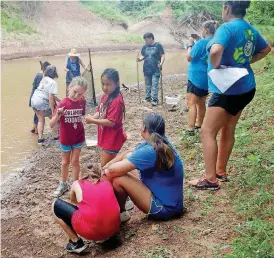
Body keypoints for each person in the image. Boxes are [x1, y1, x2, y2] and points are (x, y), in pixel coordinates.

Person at [188, 0, 271, 190]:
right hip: (245, 87)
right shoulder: (249, 28)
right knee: (229, 127)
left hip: (227, 89)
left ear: (227, 9)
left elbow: (216, 49)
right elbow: (265, 49)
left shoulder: (226, 28)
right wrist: (247, 61)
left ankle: (210, 179)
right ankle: (220, 171)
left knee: (207, 131)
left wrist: (216, 66)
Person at [103, 113, 184, 222]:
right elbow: (128, 152)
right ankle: (119, 205)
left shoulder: (150, 151)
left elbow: (112, 171)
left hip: (164, 208)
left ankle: (118, 212)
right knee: (127, 157)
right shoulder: (159, 142)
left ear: (144, 128)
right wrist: (107, 165)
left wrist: (106, 169)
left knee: (118, 179)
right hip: (171, 203)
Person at [52, 171, 120, 254]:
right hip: (114, 228)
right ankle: (110, 237)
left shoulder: (77, 184)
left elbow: (73, 201)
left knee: (55, 204)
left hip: (93, 232)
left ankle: (76, 243)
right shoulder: (107, 182)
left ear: (82, 175)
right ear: (98, 173)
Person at [50, 77, 88, 198]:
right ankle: (63, 183)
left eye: (80, 94)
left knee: (75, 161)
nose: (76, 96)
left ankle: (75, 184)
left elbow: (81, 115)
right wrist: (58, 114)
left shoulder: (82, 102)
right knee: (65, 162)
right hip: (65, 139)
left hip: (78, 137)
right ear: (69, 88)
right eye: (75, 92)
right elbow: (51, 124)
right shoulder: (63, 104)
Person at [85, 68, 126, 167]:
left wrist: (93, 120)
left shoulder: (117, 101)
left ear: (116, 84)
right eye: (103, 84)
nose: (104, 87)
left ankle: (107, 181)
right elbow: (100, 111)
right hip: (106, 136)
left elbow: (111, 122)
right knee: (110, 164)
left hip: (112, 138)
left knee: (105, 166)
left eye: (108, 84)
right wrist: (92, 117)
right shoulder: (105, 96)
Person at [185, 21, 219, 135]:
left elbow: (189, 57)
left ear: (205, 30)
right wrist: (197, 41)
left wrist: (190, 45)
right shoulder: (216, 41)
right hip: (207, 77)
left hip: (195, 77)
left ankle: (190, 129)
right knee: (201, 102)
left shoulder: (201, 43)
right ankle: (199, 125)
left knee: (191, 103)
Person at [31, 65, 60, 144]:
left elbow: (50, 94)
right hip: (42, 102)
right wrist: (52, 109)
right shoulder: (53, 82)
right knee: (54, 119)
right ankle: (56, 137)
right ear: (54, 73)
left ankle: (40, 139)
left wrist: (59, 100)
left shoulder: (44, 79)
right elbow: (51, 97)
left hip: (34, 100)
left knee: (41, 120)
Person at [137, 33, 165, 106]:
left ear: (151, 38)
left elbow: (162, 56)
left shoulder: (158, 45)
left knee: (154, 85)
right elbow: (143, 55)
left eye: (146, 40)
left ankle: (154, 100)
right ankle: (147, 98)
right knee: (148, 85)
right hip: (146, 69)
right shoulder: (145, 46)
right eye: (145, 40)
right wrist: (139, 59)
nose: (146, 41)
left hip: (156, 69)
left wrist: (161, 64)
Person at [29, 61, 51, 134]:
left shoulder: (39, 74)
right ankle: (36, 129)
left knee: (37, 113)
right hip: (37, 98)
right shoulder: (40, 76)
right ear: (45, 69)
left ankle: (34, 128)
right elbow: (41, 88)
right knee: (39, 113)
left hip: (34, 98)